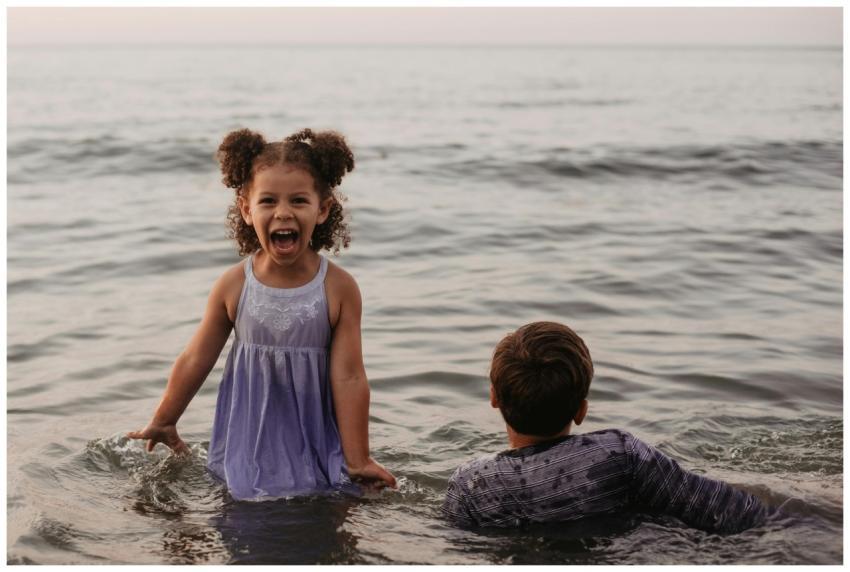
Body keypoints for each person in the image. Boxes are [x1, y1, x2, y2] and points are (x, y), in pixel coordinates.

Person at [128, 127, 396, 500]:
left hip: (314, 441)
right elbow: (196, 358)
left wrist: (359, 459)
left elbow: (350, 377)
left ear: (323, 210)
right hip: (247, 443)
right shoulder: (234, 285)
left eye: (299, 201)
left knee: (322, 518)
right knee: (243, 519)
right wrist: (164, 419)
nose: (283, 212)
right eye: (268, 200)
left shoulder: (338, 288)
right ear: (245, 208)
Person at [442, 321, 771, 532]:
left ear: (494, 398)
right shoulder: (619, 454)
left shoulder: (470, 486)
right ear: (582, 410)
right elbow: (729, 511)